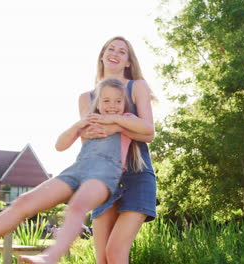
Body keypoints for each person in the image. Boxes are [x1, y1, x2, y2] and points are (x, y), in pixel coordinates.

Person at [0, 78, 154, 264]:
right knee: (24, 201)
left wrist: (113, 121)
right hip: (77, 169)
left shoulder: (126, 118)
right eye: (106, 101)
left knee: (78, 205)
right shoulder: (89, 120)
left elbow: (146, 129)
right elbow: (60, 145)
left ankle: (50, 257)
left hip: (104, 174)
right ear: (97, 102)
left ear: (124, 105)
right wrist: (78, 126)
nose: (112, 105)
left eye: (117, 101)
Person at [79, 36, 157, 263]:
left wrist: (110, 123)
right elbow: (88, 141)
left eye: (122, 51)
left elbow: (148, 133)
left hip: (137, 175)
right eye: (111, 49)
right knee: (102, 258)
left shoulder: (137, 87)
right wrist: (125, 124)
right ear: (102, 56)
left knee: (115, 252)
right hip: (103, 179)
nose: (115, 53)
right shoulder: (86, 98)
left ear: (128, 62)